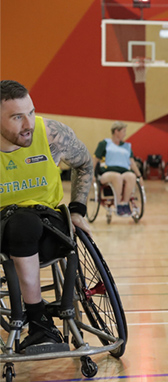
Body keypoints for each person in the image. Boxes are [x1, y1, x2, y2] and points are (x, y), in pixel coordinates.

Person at [0, 80, 93, 352]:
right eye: (17, 117)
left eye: (31, 112)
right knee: (21, 223)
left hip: (50, 227)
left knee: (29, 222)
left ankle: (39, 321)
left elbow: (85, 164)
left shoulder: (51, 133)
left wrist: (77, 210)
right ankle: (38, 317)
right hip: (4, 230)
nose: (28, 123)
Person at [93, 121, 141, 216]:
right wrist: (91, 175)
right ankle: (118, 204)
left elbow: (132, 162)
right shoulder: (104, 143)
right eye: (123, 131)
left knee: (131, 176)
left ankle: (125, 204)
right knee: (117, 176)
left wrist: (140, 176)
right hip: (107, 172)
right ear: (116, 131)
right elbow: (95, 160)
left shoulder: (127, 146)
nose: (125, 134)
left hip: (124, 172)